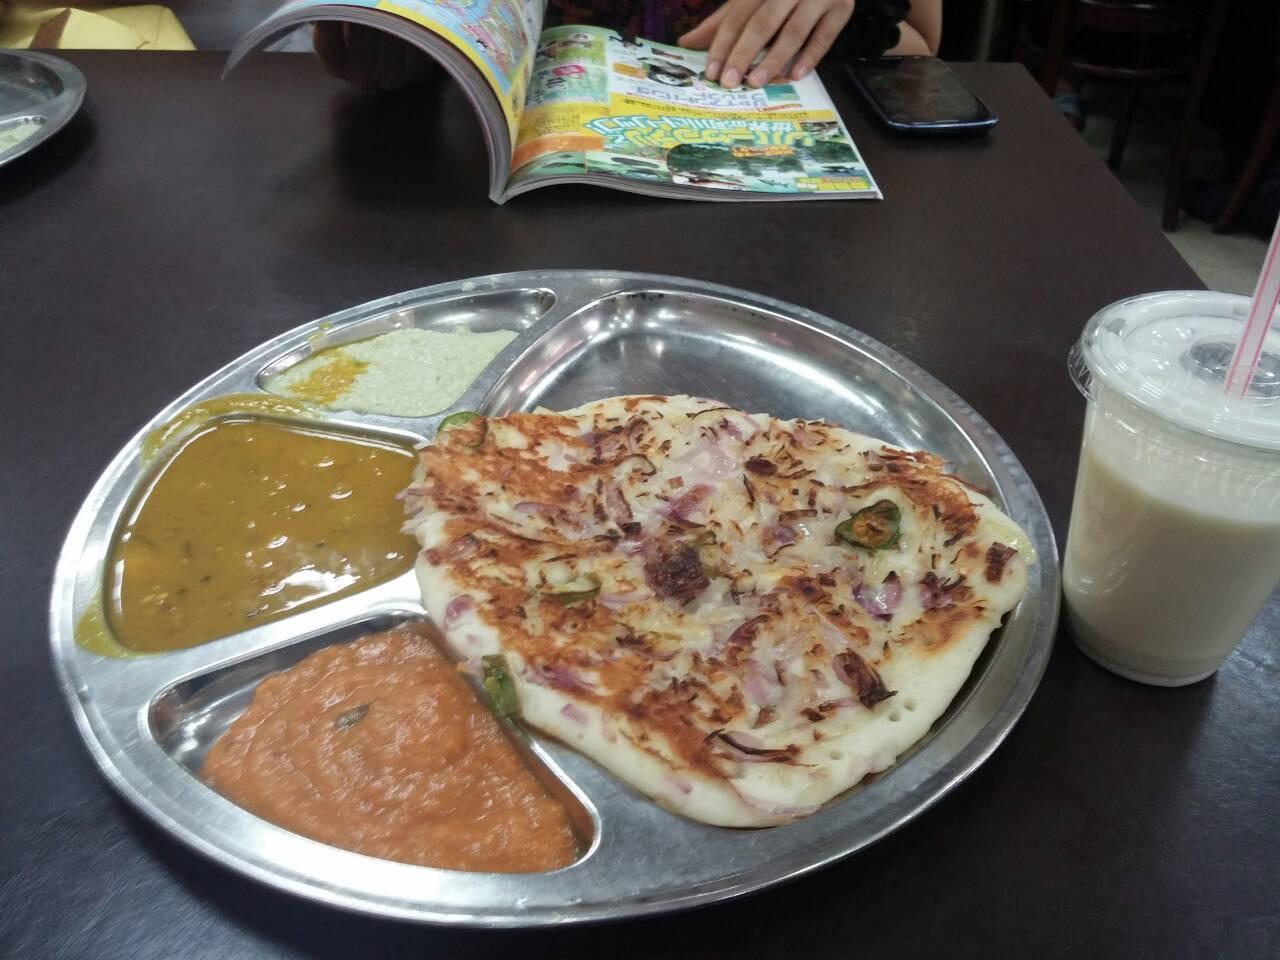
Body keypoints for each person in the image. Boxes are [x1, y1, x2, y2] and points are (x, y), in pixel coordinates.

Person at [313, 0, 941, 92]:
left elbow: (923, 49)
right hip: (524, 219)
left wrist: (839, 17)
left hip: (788, 238)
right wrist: (414, 43)